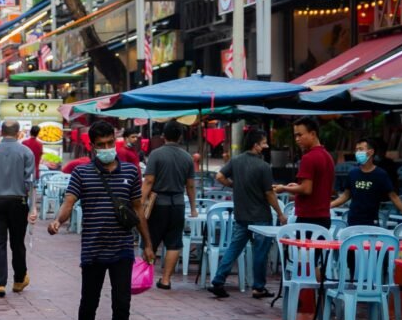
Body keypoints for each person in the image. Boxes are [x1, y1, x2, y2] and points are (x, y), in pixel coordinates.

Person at [48, 121, 154, 320]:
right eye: (101, 145)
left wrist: (148, 243)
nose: (107, 148)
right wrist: (57, 221)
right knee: (89, 304)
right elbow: (69, 202)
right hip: (93, 249)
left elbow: (138, 209)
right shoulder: (82, 174)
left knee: (122, 305)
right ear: (92, 147)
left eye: (110, 143)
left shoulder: (130, 171)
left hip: (122, 249)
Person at [208, 129, 287, 299]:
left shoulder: (236, 161)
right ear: (256, 145)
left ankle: (218, 280)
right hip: (261, 217)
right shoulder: (263, 166)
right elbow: (269, 193)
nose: (266, 146)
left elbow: (220, 176)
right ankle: (258, 287)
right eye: (264, 143)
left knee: (234, 248)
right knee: (260, 253)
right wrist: (280, 213)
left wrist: (233, 185)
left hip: (241, 215)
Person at [0, 120, 38, 297]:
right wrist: (33, 207)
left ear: (1, 132)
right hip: (18, 202)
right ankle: (19, 280)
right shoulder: (26, 152)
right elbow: (31, 182)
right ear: (19, 133)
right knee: (17, 242)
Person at [141, 121, 197, 290]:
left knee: (150, 241)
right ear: (180, 137)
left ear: (163, 136)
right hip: (178, 204)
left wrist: (140, 202)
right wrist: (193, 207)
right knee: (174, 242)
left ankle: (146, 277)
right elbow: (191, 185)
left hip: (158, 203)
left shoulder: (156, 155)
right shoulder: (187, 157)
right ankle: (166, 280)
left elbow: (149, 180)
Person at [330, 137, 402, 226]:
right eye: (356, 150)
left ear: (371, 152)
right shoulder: (353, 173)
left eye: (361, 149)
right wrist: (328, 206)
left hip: (371, 221)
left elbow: (394, 197)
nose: (357, 153)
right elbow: (345, 196)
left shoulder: (380, 174)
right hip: (353, 220)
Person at [273, 117, 335, 229]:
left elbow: (306, 189)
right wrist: (297, 186)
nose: (297, 139)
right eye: (295, 136)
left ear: (312, 134)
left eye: (299, 135)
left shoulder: (308, 157)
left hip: (308, 218)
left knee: (301, 247)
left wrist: (284, 188)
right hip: (324, 218)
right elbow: (316, 186)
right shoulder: (328, 156)